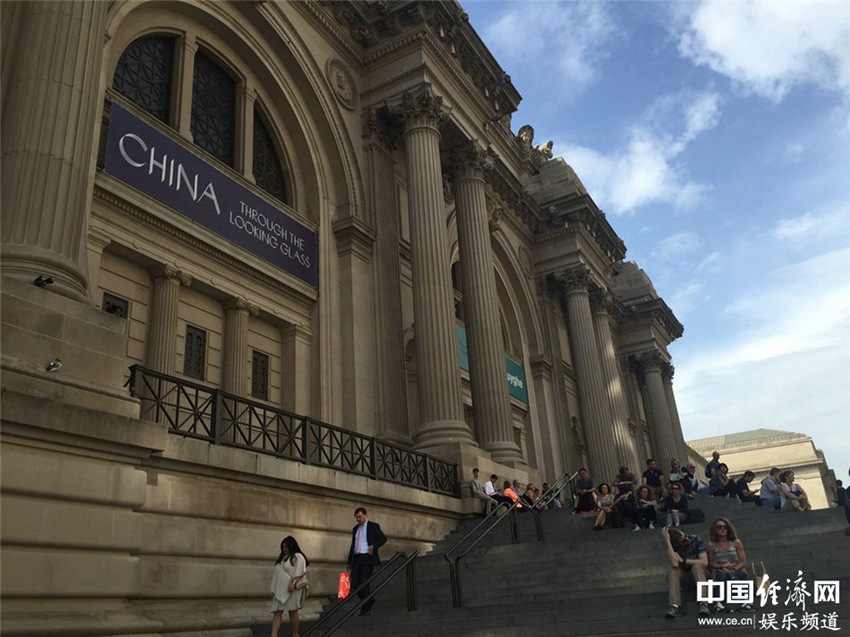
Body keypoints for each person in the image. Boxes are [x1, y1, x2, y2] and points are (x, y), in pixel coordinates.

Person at [662, 526, 710, 619]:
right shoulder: (674, 547)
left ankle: (703, 603)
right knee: (673, 571)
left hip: (702, 575)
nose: (687, 540)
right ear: (677, 544)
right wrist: (667, 542)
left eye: (686, 536)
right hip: (686, 578)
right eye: (683, 541)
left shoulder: (696, 539)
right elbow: (675, 564)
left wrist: (684, 561)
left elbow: (704, 562)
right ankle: (674, 606)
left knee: (696, 567)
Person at [347, 507, 387, 616]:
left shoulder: (373, 526)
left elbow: (383, 539)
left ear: (365, 515)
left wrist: (374, 546)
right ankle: (369, 599)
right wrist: (349, 562)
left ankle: (365, 609)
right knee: (354, 583)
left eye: (360, 517)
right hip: (357, 557)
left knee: (364, 582)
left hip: (367, 557)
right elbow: (353, 545)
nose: (358, 519)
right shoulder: (355, 529)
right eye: (356, 517)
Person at [706, 518, 751, 613]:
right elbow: (711, 563)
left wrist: (733, 569)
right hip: (722, 571)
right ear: (715, 529)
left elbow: (743, 561)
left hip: (738, 570)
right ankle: (719, 604)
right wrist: (722, 566)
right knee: (722, 576)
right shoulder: (712, 545)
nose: (723, 529)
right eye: (719, 527)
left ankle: (746, 602)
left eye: (725, 527)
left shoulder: (736, 542)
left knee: (732, 575)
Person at [270, 536, 309, 637]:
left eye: (286, 547)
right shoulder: (283, 558)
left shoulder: (298, 557)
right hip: (280, 589)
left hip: (292, 589)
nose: (284, 549)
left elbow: (300, 571)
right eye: (283, 547)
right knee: (277, 612)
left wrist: (293, 583)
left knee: (292, 612)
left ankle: (295, 634)